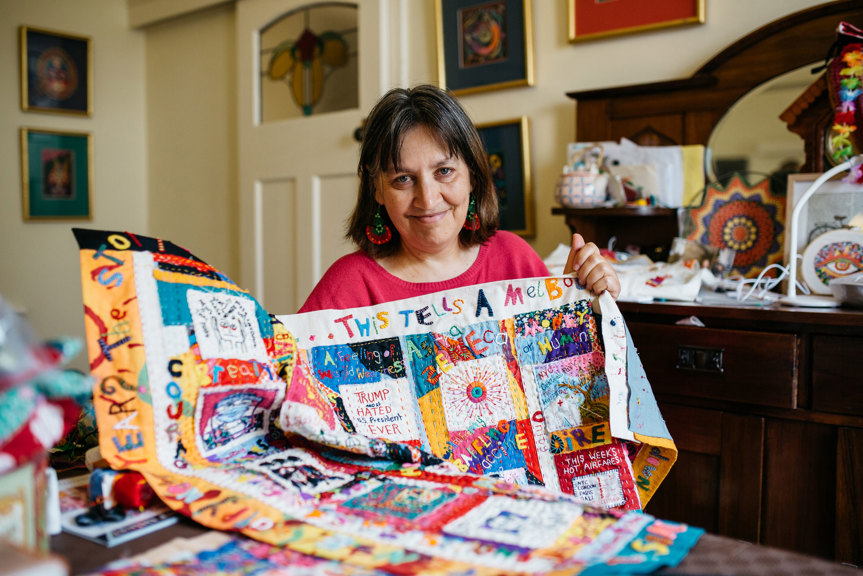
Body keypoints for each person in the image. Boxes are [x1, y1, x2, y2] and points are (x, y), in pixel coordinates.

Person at [299, 84, 619, 313]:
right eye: (403, 179)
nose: (427, 199)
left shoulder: (514, 259)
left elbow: (564, 375)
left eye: (444, 171)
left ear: (473, 176)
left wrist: (581, 304)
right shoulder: (348, 285)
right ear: (377, 190)